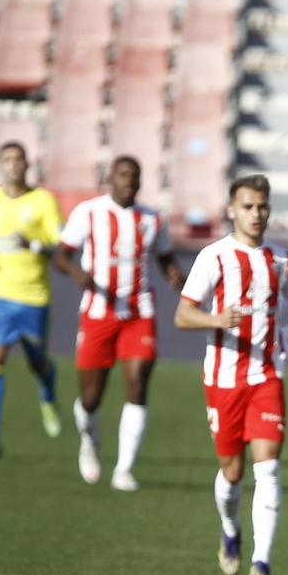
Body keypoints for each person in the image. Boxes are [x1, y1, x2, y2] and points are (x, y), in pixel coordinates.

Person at [174, 175, 288, 575]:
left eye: (262, 206)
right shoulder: (213, 258)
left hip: (268, 375)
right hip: (223, 378)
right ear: (232, 210)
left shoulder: (282, 260)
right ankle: (230, 529)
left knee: (267, 470)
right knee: (232, 473)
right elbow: (183, 315)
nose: (256, 214)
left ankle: (262, 562)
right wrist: (216, 319)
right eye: (248, 206)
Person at [53, 157, 184, 491]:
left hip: (139, 312)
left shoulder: (153, 219)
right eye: (123, 175)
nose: (129, 181)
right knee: (91, 398)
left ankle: (124, 469)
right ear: (109, 178)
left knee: (138, 383)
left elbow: (165, 254)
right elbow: (60, 255)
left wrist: (173, 272)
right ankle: (90, 438)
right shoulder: (88, 213)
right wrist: (76, 273)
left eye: (135, 177)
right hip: (98, 312)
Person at [0, 141, 65, 455]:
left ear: (28, 164)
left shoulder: (43, 201)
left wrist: (32, 243)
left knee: (37, 363)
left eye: (18, 159)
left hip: (33, 296)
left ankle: (48, 395)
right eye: (7, 159)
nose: (13, 165)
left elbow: (60, 247)